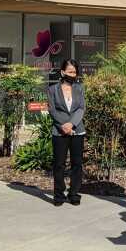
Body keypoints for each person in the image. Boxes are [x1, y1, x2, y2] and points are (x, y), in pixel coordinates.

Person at [47, 59, 86, 207]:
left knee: (77, 164)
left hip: (77, 130)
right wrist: (63, 125)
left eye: (74, 72)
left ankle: (74, 193)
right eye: (70, 71)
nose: (73, 74)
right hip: (59, 131)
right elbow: (52, 110)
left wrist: (72, 124)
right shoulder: (52, 89)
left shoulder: (79, 88)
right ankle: (58, 195)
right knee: (59, 164)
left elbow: (81, 108)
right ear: (62, 72)